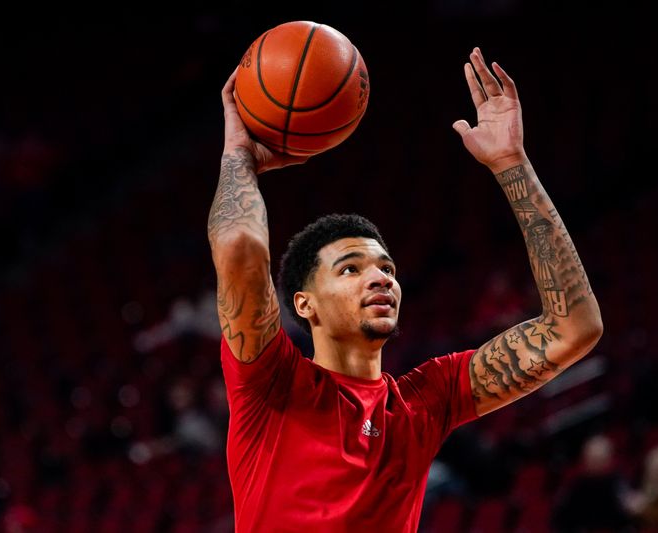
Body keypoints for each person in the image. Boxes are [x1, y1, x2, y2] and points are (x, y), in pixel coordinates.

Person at [207, 47, 603, 532]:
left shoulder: (425, 401)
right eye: (350, 269)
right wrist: (239, 159)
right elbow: (239, 248)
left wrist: (510, 164)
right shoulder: (271, 383)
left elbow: (574, 327)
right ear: (304, 304)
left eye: (387, 267)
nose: (380, 277)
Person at [550, 434, 634, 533]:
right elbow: (558, 521)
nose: (595, 463)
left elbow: (628, 518)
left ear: (609, 459)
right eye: (592, 459)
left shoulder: (618, 482)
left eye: (600, 459)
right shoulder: (575, 486)